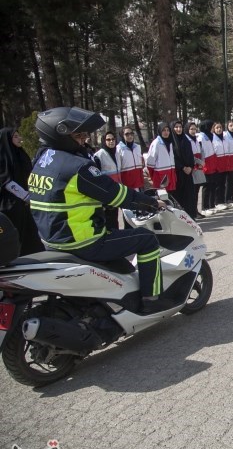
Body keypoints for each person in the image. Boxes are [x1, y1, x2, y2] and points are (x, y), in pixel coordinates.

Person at [28, 107, 167, 312]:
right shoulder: (77, 167)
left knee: (123, 262)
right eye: (79, 135)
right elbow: (116, 194)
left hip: (52, 241)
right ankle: (152, 299)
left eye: (85, 134)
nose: (84, 139)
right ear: (61, 134)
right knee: (147, 239)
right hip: (84, 242)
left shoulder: (41, 160)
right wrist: (151, 202)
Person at [0, 127, 45, 255]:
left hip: (26, 203)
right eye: (16, 136)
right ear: (7, 139)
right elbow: (7, 181)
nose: (20, 139)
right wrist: (26, 197)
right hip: (11, 205)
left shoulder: (20, 154)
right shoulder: (3, 158)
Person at [115, 125, 146, 228]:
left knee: (140, 210)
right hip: (127, 186)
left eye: (131, 133)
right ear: (122, 135)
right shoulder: (118, 149)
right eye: (126, 134)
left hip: (139, 183)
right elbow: (118, 169)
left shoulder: (137, 147)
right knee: (129, 213)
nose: (129, 136)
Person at [93, 131, 122, 230]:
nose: (111, 141)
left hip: (116, 191)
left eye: (113, 139)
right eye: (108, 139)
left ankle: (116, 237)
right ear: (104, 141)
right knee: (108, 219)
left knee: (115, 218)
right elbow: (96, 178)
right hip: (106, 193)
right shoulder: (99, 155)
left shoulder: (117, 153)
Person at [170, 120, 196, 219]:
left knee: (189, 197)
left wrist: (190, 166)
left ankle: (190, 218)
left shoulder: (186, 140)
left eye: (180, 127)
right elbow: (173, 157)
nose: (178, 129)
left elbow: (190, 155)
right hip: (178, 173)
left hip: (188, 173)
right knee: (178, 198)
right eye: (176, 127)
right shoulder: (171, 142)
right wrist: (182, 167)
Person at [146, 122, 176, 191]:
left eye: (168, 130)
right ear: (160, 131)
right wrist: (153, 175)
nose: (166, 132)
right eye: (164, 130)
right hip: (160, 176)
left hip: (171, 174)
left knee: (170, 198)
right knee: (162, 198)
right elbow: (150, 162)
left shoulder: (170, 143)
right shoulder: (156, 143)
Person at [197, 120, 218, 216]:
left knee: (212, 185)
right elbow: (201, 151)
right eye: (212, 126)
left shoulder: (209, 136)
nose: (213, 128)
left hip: (212, 162)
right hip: (206, 163)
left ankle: (211, 205)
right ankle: (204, 207)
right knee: (207, 186)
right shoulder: (201, 137)